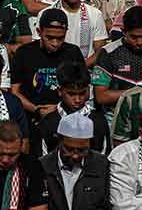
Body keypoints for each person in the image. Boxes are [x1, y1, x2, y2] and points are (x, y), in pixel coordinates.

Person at [11, 8, 88, 139]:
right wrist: (36, 109)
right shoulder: (24, 53)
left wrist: (57, 110)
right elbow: (14, 91)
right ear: (39, 32)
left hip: (67, 120)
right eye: (50, 37)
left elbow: (85, 89)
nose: (55, 43)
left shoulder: (73, 52)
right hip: (31, 120)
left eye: (60, 38)